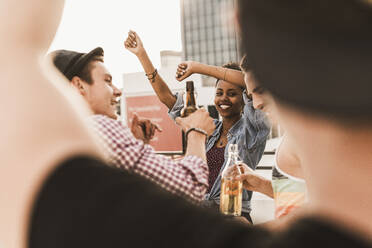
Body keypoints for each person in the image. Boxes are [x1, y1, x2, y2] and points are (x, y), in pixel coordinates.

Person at [124, 31, 270, 222]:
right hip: (201, 214)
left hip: (233, 217)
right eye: (219, 92)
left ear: (245, 98)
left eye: (232, 93)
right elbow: (169, 99)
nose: (224, 98)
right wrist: (142, 55)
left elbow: (249, 81)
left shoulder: (252, 131)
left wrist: (198, 68)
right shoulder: (208, 127)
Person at [49, 48, 215, 203]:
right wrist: (196, 132)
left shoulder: (58, 134)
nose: (117, 91)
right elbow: (191, 186)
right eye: (107, 81)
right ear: (79, 85)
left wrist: (137, 145)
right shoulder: (98, 126)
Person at [176, 55, 307, 219]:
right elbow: (299, 204)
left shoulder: (311, 136)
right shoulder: (293, 137)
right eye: (251, 96)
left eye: (259, 91)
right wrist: (260, 184)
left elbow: (321, 215)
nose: (256, 104)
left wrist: (197, 67)